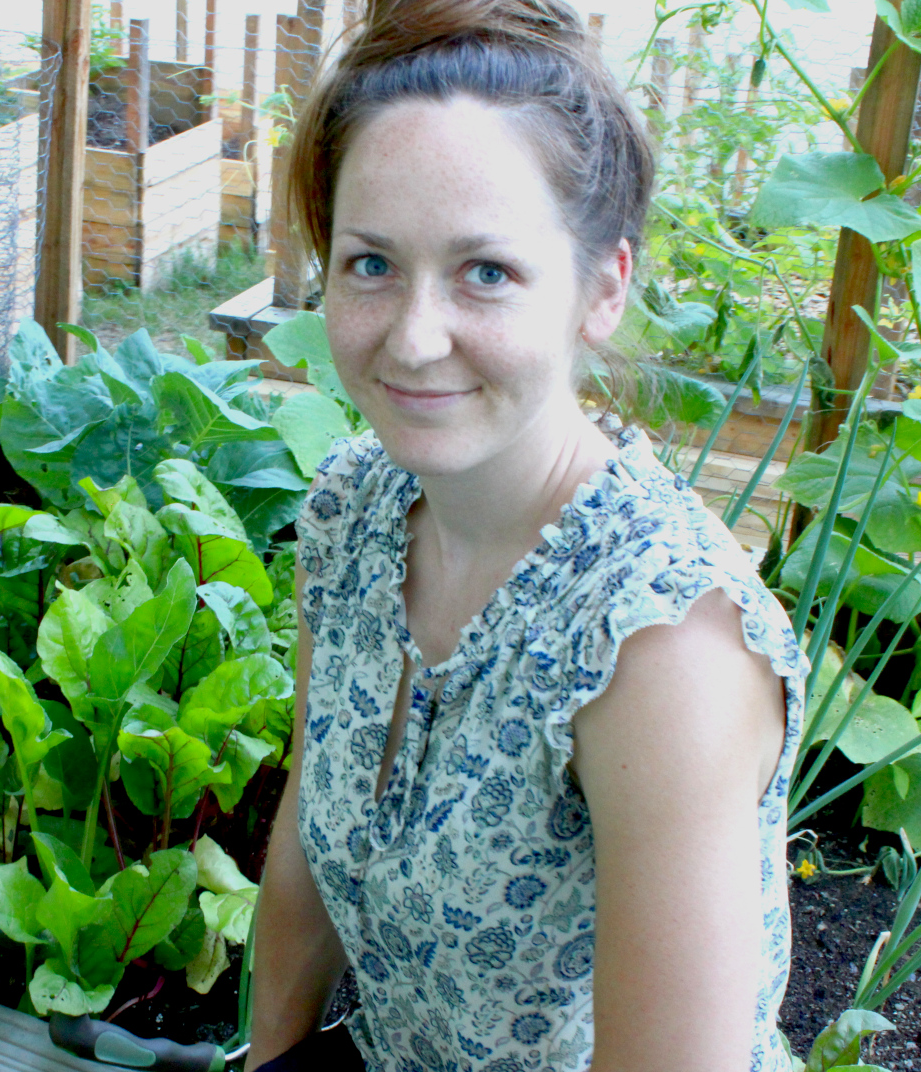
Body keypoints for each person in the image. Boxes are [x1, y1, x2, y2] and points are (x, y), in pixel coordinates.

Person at [245, 2, 805, 1070]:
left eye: (484, 272)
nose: (412, 337)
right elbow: (303, 851)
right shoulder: (351, 511)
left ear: (601, 290)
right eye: (369, 263)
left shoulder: (659, 648)